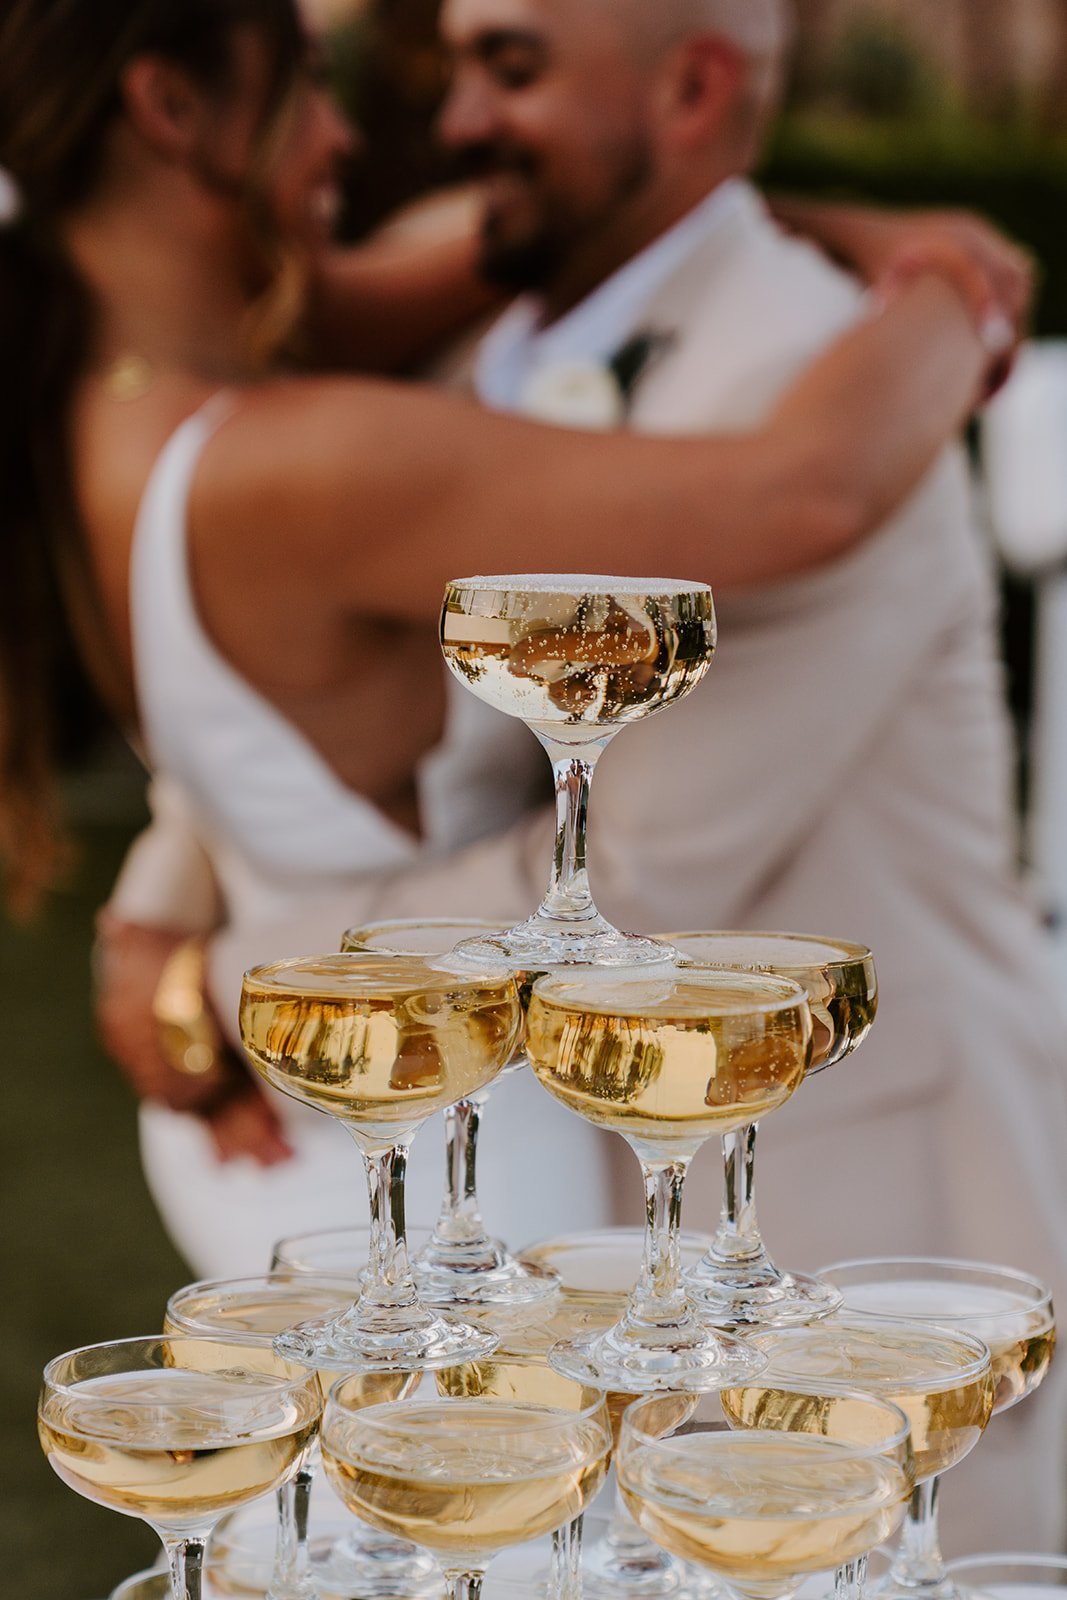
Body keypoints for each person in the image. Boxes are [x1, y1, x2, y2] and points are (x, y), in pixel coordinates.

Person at [97, 0, 1067, 1549]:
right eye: (460, 64)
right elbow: (301, 657)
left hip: (836, 1201)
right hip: (562, 1209)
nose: (460, 117)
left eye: (515, 67)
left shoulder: (828, 375)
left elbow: (643, 870)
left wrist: (235, 982)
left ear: (689, 88)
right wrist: (170, 878)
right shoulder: (485, 331)